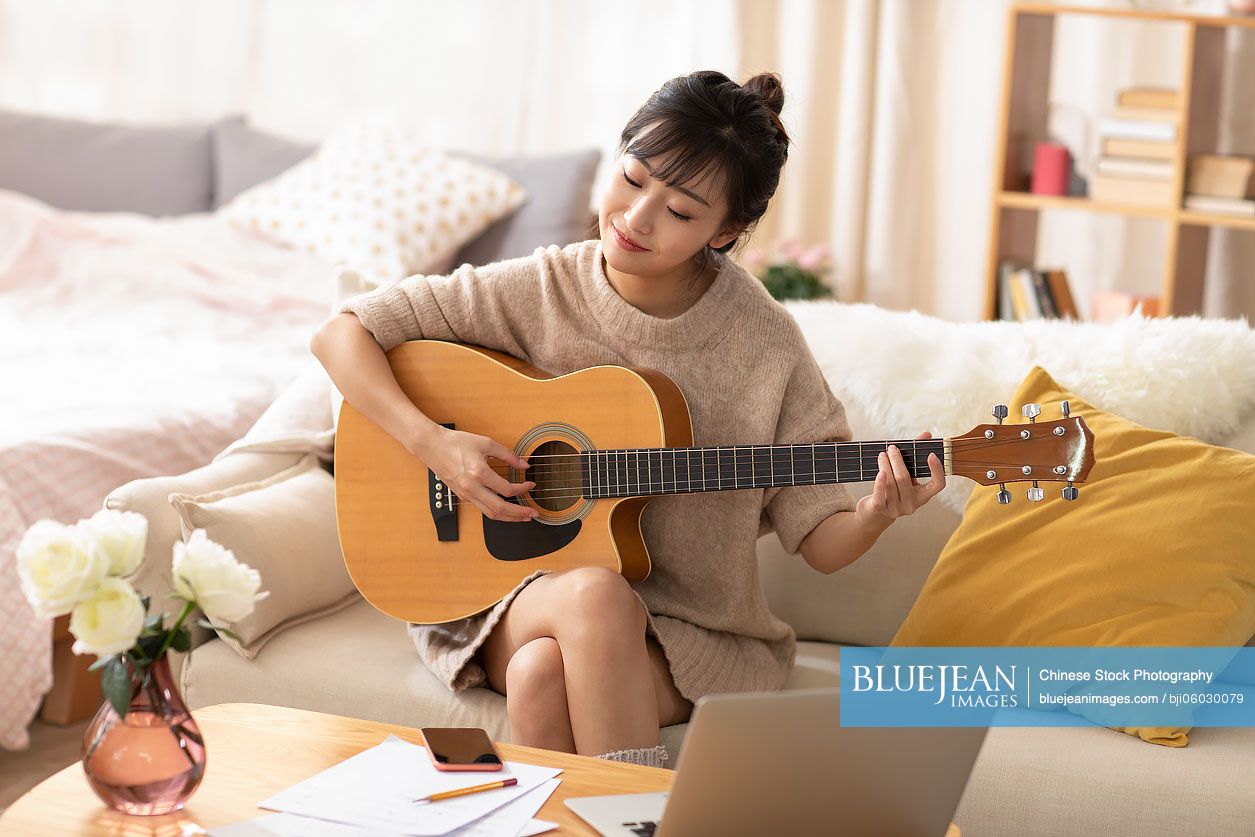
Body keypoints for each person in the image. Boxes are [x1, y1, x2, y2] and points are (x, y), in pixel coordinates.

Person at [310, 70, 945, 768]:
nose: (636, 218)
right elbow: (341, 333)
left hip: (687, 630)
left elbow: (821, 541)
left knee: (539, 675)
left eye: (680, 211)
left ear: (727, 230)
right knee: (593, 595)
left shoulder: (763, 342)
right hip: (507, 599)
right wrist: (435, 445)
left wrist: (881, 510)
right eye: (633, 177)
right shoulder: (539, 287)